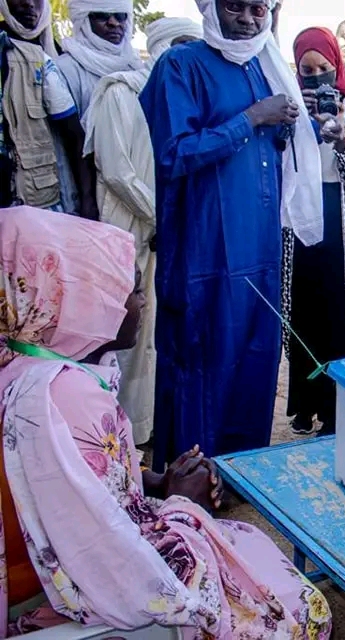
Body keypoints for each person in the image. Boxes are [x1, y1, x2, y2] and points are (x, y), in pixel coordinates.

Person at [0, 206, 332, 638]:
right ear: (82, 303)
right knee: (301, 608)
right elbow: (122, 564)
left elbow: (75, 488)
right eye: (129, 290)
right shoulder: (67, 396)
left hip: (58, 564)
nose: (140, 301)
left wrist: (154, 482)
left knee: (248, 543)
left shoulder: (22, 367)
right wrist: (183, 503)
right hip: (94, 592)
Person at [139, 0, 324, 469]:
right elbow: (173, 154)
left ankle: (243, 472)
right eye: (236, 7)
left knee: (254, 354)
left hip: (259, 246)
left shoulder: (266, 69)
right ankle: (193, 475)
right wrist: (252, 118)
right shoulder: (179, 65)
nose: (248, 18)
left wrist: (290, 128)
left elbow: (274, 149)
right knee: (201, 356)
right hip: (204, 250)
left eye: (257, 9)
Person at [81, 17, 202, 446]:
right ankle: (114, 435)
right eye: (181, 45)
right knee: (124, 333)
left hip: (163, 230)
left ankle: (144, 432)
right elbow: (117, 171)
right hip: (127, 227)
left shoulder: (187, 101)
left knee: (154, 334)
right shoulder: (121, 91)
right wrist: (160, 217)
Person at [282, 27, 345, 436]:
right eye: (308, 69)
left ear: (336, 65)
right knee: (301, 314)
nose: (318, 76)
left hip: (342, 221)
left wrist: (342, 141)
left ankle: (335, 411)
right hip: (300, 221)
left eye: (325, 67)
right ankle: (304, 406)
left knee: (337, 317)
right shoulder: (287, 104)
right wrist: (295, 119)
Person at [0, 0, 96, 218]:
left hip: (39, 192)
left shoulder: (46, 57)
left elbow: (74, 135)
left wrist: (87, 200)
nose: (28, 4)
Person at [57, 0, 144, 118]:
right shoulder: (65, 69)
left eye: (120, 16)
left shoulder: (134, 65)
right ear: (85, 21)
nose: (113, 23)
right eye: (102, 16)